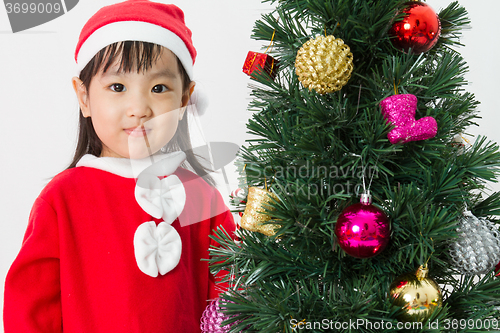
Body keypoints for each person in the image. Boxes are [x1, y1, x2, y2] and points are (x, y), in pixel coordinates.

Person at [3, 1, 235, 332]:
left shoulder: (201, 198)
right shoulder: (62, 199)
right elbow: (30, 311)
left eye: (158, 88)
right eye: (117, 87)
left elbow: (234, 297)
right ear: (84, 97)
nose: (138, 108)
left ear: (184, 100)